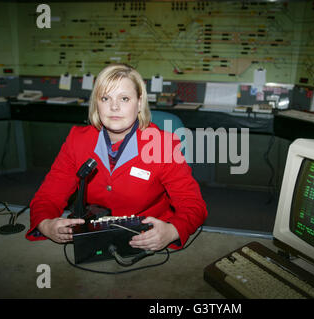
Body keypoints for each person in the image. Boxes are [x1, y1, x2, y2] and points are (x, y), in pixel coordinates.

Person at [26, 64, 207, 252]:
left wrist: (172, 231)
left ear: (139, 102)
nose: (114, 107)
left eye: (124, 98)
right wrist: (45, 224)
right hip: (94, 235)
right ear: (97, 103)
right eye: (105, 98)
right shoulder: (77, 140)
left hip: (146, 237)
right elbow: (48, 195)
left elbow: (193, 204)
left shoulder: (163, 145)